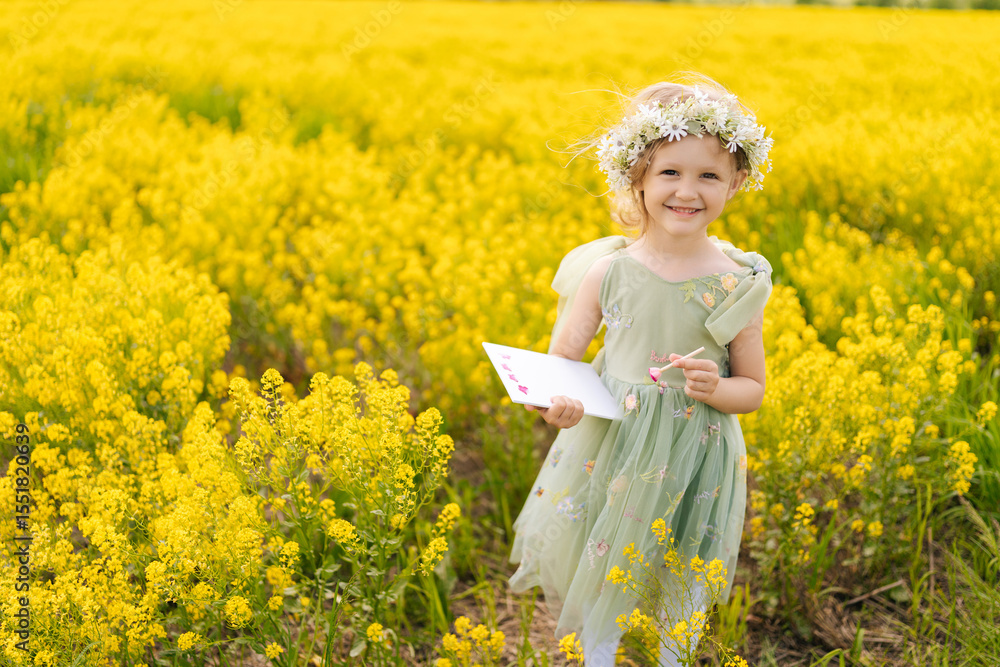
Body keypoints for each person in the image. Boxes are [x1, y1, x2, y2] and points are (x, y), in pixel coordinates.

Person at [507, 74, 775, 666]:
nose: (688, 191)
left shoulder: (738, 282)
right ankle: (601, 656)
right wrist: (561, 406)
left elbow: (751, 389)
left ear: (737, 182)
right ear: (639, 179)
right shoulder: (609, 272)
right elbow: (559, 368)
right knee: (606, 563)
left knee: (680, 572)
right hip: (616, 445)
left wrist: (715, 386)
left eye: (708, 175)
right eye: (669, 173)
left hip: (694, 451)